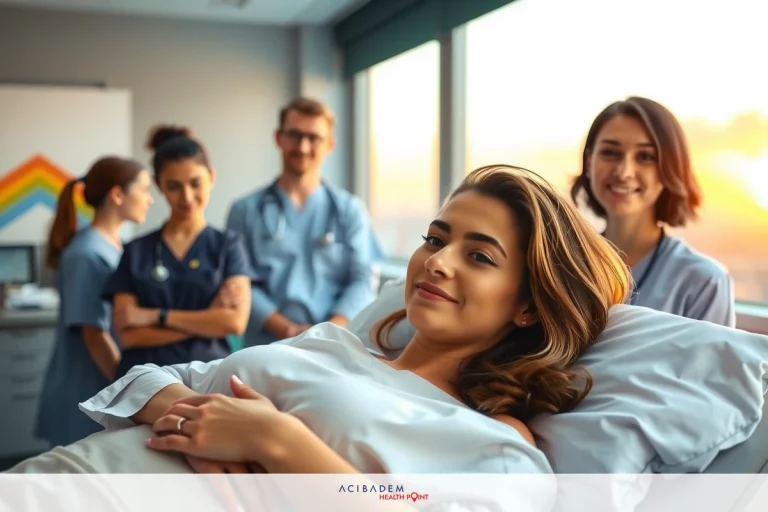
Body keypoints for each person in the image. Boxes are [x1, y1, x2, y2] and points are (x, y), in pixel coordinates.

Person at [11, 165, 631, 478]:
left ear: (527, 305)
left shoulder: (494, 441)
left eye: (480, 256)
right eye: (436, 239)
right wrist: (194, 413)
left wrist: (276, 442)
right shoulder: (334, 344)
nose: (438, 261)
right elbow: (146, 378)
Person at [102, 125, 259, 379]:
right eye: (174, 186)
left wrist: (154, 316)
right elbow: (130, 336)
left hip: (210, 377)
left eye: (195, 183)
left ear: (211, 176)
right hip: (146, 380)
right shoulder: (136, 251)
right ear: (158, 185)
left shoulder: (229, 246)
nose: (186, 197)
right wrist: (207, 320)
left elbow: (234, 323)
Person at [226, 97, 383, 348]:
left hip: (334, 345)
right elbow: (240, 283)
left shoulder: (349, 211)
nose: (303, 147)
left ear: (329, 145)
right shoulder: (245, 211)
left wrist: (327, 332)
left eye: (314, 138)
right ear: (278, 138)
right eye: (294, 135)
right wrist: (287, 330)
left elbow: (363, 279)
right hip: (266, 348)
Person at [570, 96, 736, 326]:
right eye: (610, 152)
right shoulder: (564, 265)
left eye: (645, 157)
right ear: (589, 162)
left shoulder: (704, 282)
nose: (624, 172)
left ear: (669, 169)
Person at [35, 156, 153, 447]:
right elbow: (94, 336)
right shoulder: (86, 254)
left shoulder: (114, 247)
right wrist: (131, 392)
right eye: (144, 189)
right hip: (85, 393)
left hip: (101, 389)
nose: (149, 199)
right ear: (117, 195)